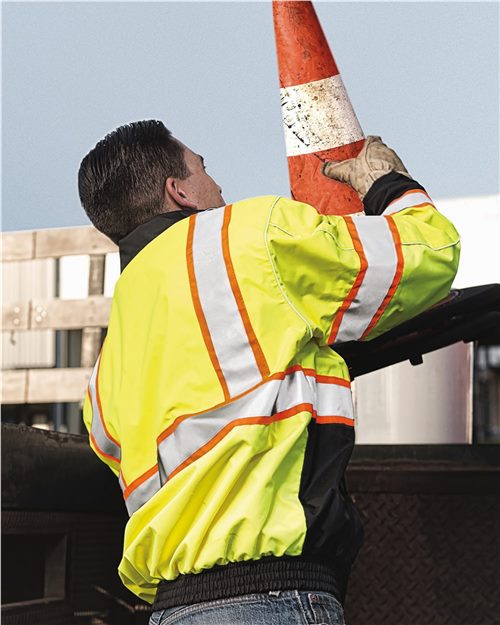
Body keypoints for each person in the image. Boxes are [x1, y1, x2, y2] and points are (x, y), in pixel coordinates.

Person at [78, 121, 460, 625]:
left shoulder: (108, 361)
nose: (218, 185)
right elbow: (427, 255)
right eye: (204, 169)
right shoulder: (248, 235)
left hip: (172, 609)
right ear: (179, 192)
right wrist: (388, 184)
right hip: (274, 596)